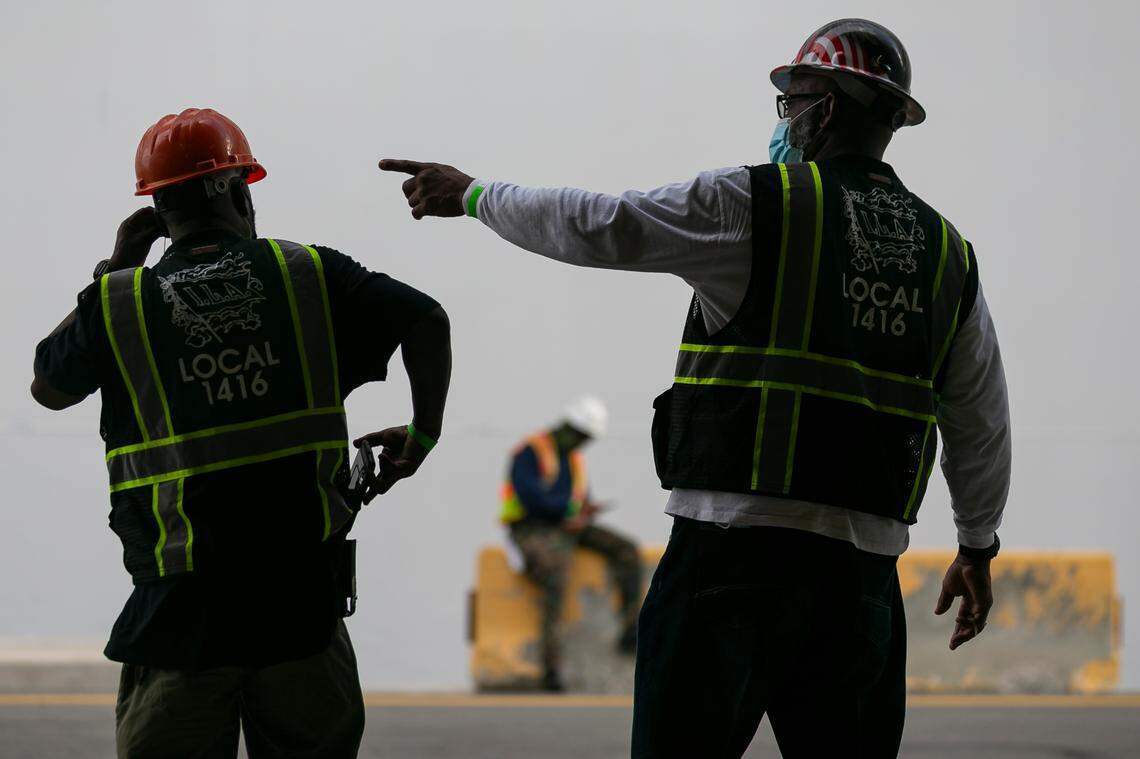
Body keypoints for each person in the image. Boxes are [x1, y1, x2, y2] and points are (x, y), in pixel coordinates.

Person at [378, 18, 1010, 758]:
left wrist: (476, 194)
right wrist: (976, 545)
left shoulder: (752, 204)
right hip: (861, 578)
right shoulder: (947, 257)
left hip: (728, 562)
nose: (786, 121)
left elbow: (600, 225)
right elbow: (979, 418)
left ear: (827, 108)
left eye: (792, 102)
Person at [31, 107, 451, 758]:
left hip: (179, 616)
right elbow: (425, 318)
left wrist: (113, 267)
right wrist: (421, 438)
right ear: (239, 188)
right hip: (298, 608)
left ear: (156, 210)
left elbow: (48, 385)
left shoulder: (120, 300)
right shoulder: (306, 273)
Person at [500, 396, 642, 692]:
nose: (582, 443)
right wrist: (567, 511)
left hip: (569, 526)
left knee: (627, 550)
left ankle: (631, 629)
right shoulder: (531, 452)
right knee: (556, 573)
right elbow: (531, 499)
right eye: (580, 435)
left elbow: (578, 498)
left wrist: (584, 512)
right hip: (532, 529)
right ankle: (551, 669)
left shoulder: (575, 458)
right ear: (566, 427)